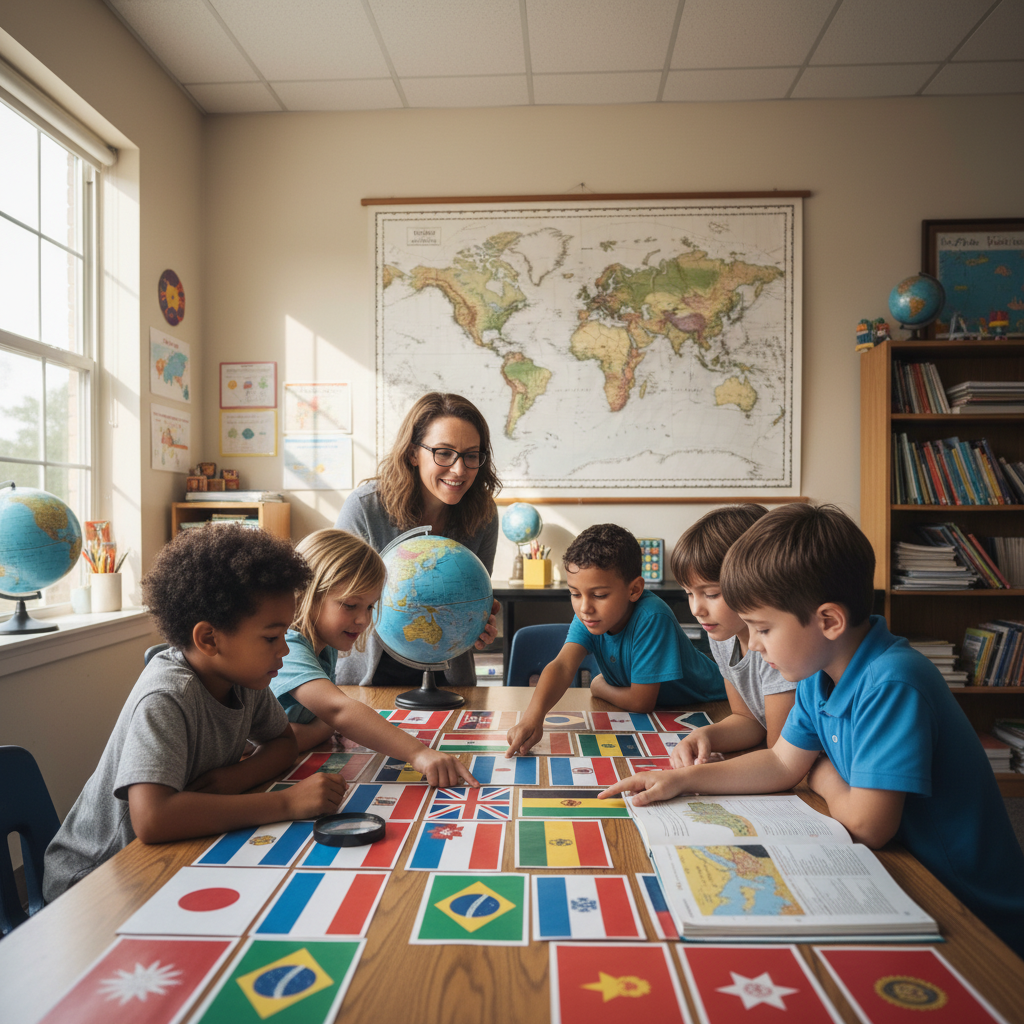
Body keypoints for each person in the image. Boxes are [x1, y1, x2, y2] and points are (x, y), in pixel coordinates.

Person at [601, 503, 1024, 959]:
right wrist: (682, 780)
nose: (755, 644)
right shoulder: (817, 676)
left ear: (828, 621)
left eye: (763, 628)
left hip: (972, 911)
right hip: (906, 875)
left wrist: (819, 773)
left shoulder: (894, 681)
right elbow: (782, 762)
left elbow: (866, 824)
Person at [43, 526, 346, 902]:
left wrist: (231, 780)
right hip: (94, 880)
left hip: (174, 851)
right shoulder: (167, 696)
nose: (284, 650)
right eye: (271, 637)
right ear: (208, 639)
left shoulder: (243, 679)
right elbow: (153, 819)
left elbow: (283, 742)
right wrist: (287, 803)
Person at [270, 528, 479, 786]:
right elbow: (337, 711)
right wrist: (418, 752)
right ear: (307, 592)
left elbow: (311, 728)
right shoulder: (287, 646)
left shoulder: (324, 645)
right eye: (350, 605)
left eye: (370, 606)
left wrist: (311, 731)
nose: (363, 619)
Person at [506, 524, 726, 756]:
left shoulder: (652, 616)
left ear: (634, 590)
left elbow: (641, 702)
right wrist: (532, 718)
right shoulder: (589, 616)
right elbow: (562, 666)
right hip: (667, 714)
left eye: (599, 595)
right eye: (575, 593)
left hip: (715, 707)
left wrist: (598, 686)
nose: (584, 607)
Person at [334, 392, 500, 687]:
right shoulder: (365, 508)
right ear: (413, 453)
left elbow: (472, 595)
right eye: (444, 453)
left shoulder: (483, 514)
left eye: (471, 455)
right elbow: (336, 603)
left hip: (448, 679)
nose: (459, 469)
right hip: (367, 680)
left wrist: (477, 622)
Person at [669, 504, 796, 766]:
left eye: (712, 594)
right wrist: (704, 736)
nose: (696, 609)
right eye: (689, 593)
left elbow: (778, 748)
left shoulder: (778, 647)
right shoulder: (724, 636)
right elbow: (749, 720)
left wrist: (720, 773)